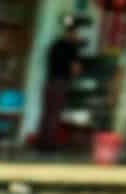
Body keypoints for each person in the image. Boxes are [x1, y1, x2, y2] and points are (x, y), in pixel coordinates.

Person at [38, 14, 82, 152]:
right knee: (55, 114)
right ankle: (49, 145)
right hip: (61, 82)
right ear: (72, 34)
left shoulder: (54, 45)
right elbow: (75, 69)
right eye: (75, 34)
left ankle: (41, 142)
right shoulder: (72, 48)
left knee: (46, 113)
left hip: (49, 81)